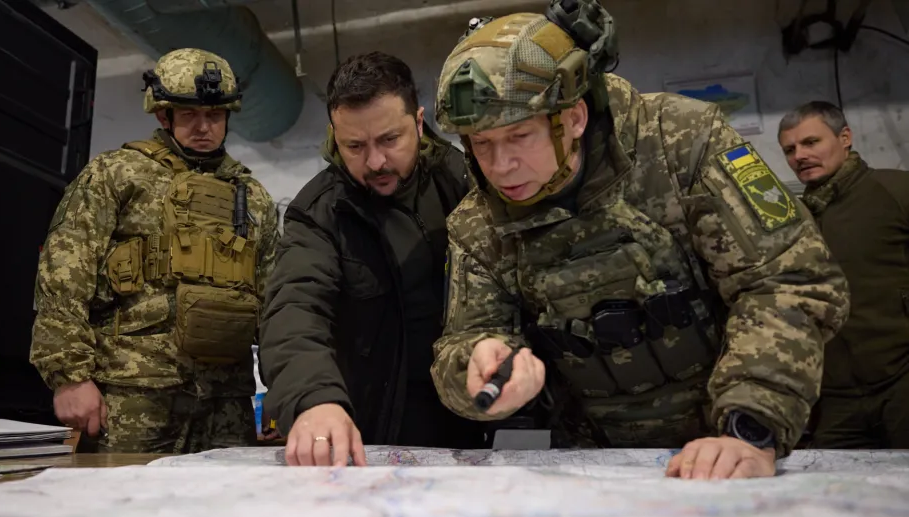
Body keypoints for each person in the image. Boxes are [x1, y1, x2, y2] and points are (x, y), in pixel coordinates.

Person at [430, 0, 850, 479]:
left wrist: (750, 427)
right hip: (599, 468)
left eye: (519, 136)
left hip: (735, 442)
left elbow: (787, 280)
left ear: (574, 117)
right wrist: (476, 364)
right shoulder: (477, 221)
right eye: (480, 144)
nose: (500, 166)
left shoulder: (681, 142)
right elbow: (459, 344)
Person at [30, 48, 280, 453]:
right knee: (119, 510)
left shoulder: (252, 197)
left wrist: (284, 389)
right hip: (133, 390)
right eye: (189, 115)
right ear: (163, 116)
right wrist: (70, 376)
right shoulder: (117, 173)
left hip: (227, 400)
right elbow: (63, 273)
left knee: (222, 512)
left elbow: (275, 302)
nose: (204, 127)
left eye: (215, 115)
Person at [260, 52, 485, 467]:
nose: (376, 162)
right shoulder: (321, 212)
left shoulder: (467, 181)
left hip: (482, 414)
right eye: (355, 146)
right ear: (335, 136)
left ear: (419, 122)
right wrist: (314, 399)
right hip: (379, 426)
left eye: (389, 140)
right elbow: (294, 309)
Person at [778, 101, 909, 449]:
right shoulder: (794, 216)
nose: (800, 156)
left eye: (811, 142)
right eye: (790, 150)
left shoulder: (894, 191)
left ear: (845, 137)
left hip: (901, 383)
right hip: (835, 399)